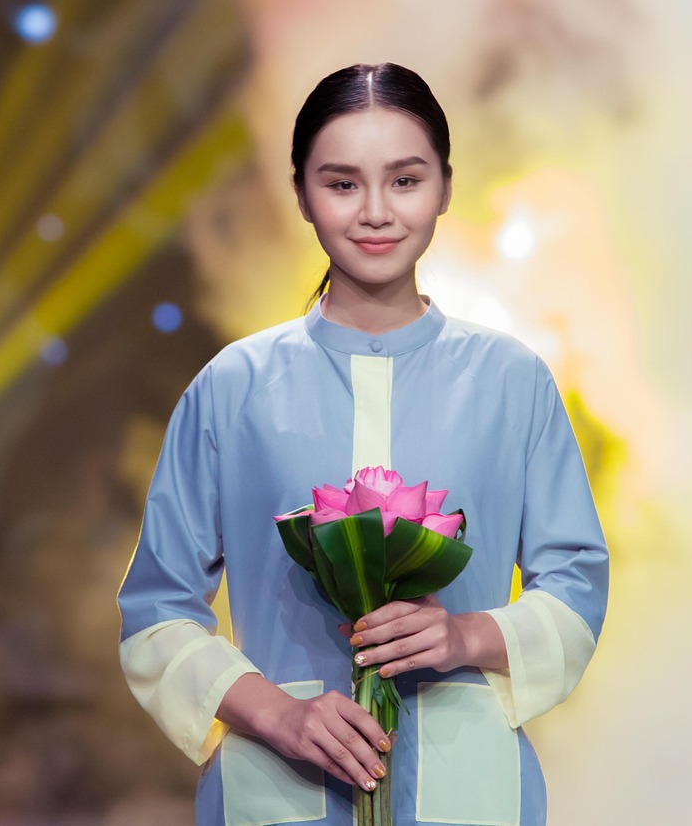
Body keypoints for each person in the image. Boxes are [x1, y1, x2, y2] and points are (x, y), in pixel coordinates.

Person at [118, 62, 609, 826]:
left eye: (405, 180)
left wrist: (464, 633)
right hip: (277, 785)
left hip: (468, 786)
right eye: (342, 183)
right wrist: (280, 715)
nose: (376, 211)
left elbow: (576, 586)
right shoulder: (233, 386)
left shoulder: (512, 381)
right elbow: (156, 611)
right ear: (300, 193)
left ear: (445, 187)